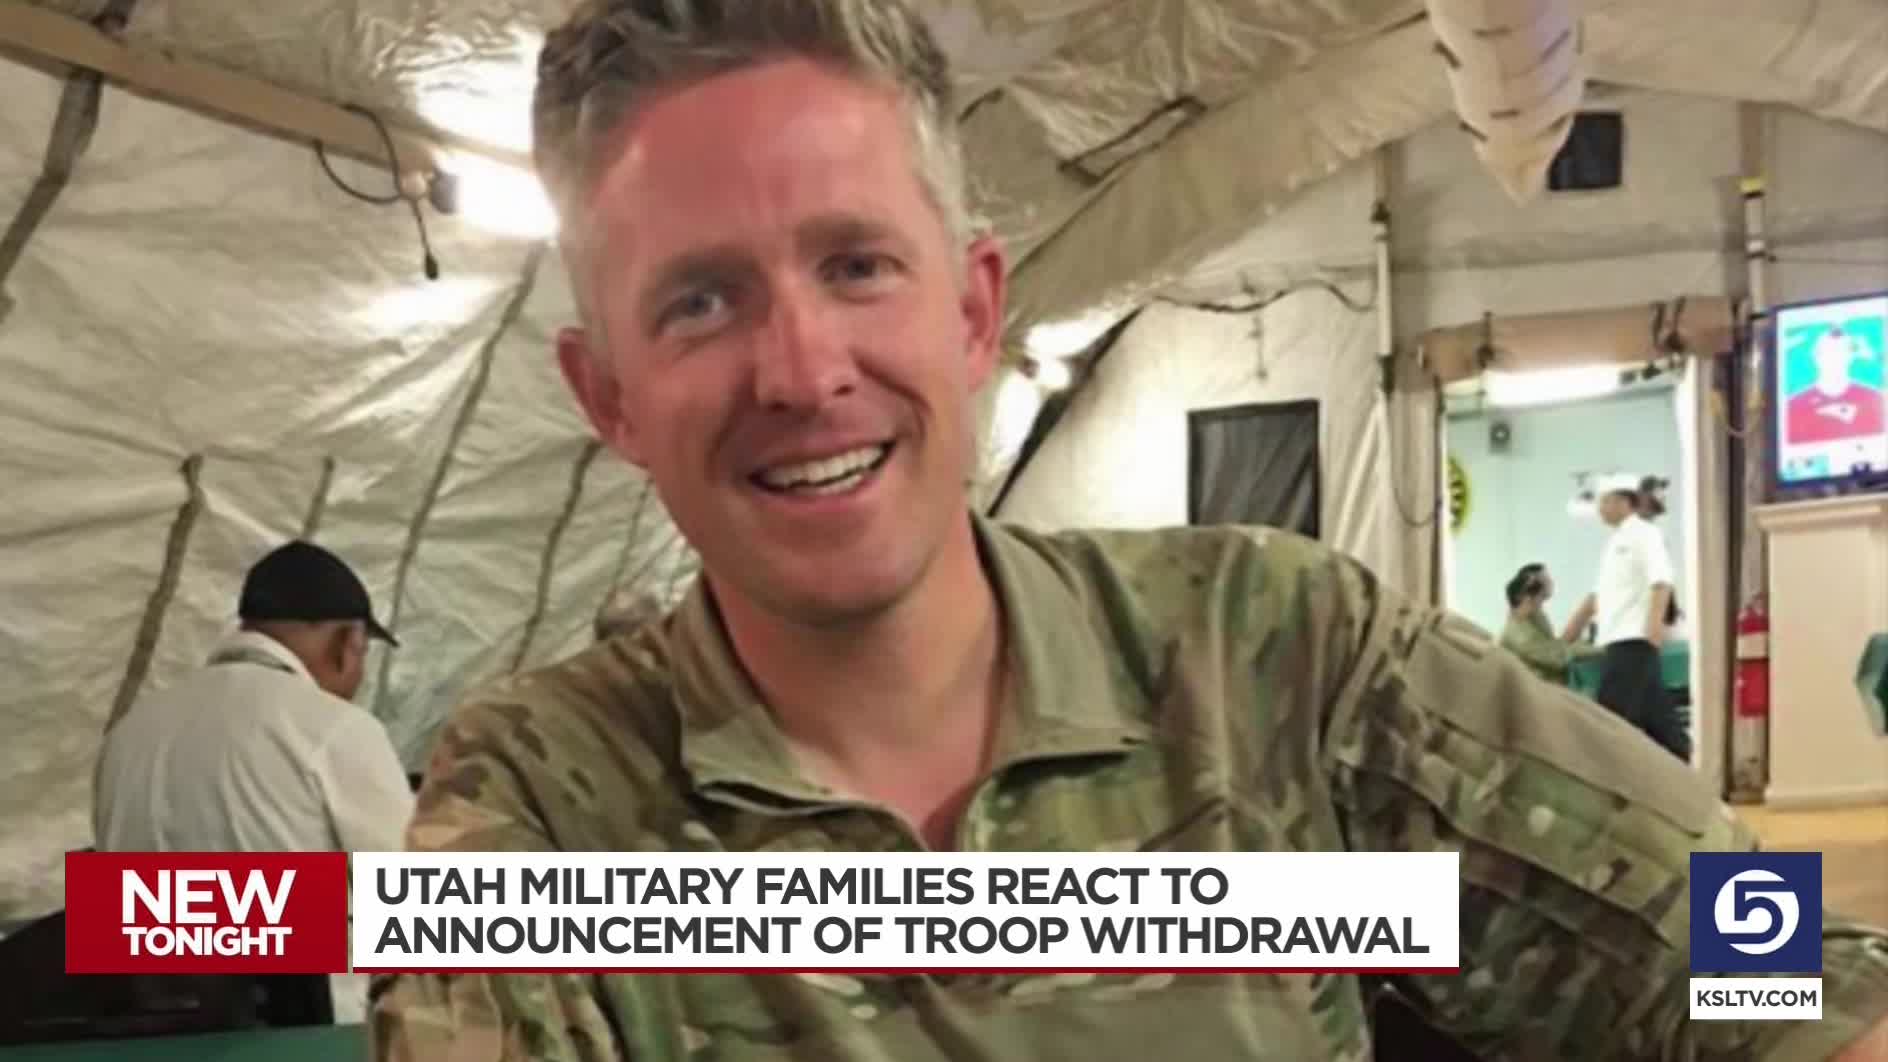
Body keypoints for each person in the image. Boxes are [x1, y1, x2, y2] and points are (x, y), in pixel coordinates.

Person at [369, 2, 1888, 1058]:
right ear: (609, 396)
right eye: (701, 301)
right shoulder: (547, 802)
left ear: (974, 312)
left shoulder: (1274, 656)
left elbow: (1754, 947)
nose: (801, 370)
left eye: (856, 266)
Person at [95, 540, 415, 1024]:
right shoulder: (333, 728)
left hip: (150, 1033)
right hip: (311, 1037)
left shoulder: (130, 732)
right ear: (346, 644)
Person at [1563, 475, 1689, 761]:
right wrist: (1566, 636)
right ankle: (1689, 769)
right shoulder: (1614, 543)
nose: (1600, 509)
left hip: (1633, 639)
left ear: (1623, 502)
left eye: (1605, 502)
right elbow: (1596, 597)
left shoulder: (1645, 534)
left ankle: (1609, 779)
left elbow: (1661, 581)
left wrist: (1652, 629)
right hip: (1616, 640)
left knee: (1611, 721)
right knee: (1659, 722)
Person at [1497, 562, 1597, 685]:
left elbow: (1556, 646)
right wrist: (1602, 650)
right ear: (1527, 595)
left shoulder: (1534, 615)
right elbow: (1558, 657)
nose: (1550, 583)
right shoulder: (1520, 633)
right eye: (1545, 580)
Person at [1785, 324, 1885, 446]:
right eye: (1829, 352)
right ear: (1816, 356)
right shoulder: (1794, 406)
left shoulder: (1875, 399)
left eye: (1841, 352)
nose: (1835, 358)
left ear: (1851, 356)